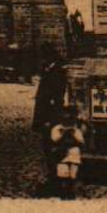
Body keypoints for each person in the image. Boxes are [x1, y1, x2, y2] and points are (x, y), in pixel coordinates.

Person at [32, 47, 70, 188]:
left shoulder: (57, 72)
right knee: (47, 147)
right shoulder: (50, 70)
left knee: (52, 147)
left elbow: (55, 98)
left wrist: (49, 119)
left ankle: (55, 179)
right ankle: (52, 176)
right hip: (46, 116)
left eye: (43, 58)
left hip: (50, 117)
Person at [48, 105, 87, 199]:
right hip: (62, 154)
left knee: (73, 174)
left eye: (69, 118)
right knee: (63, 173)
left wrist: (73, 134)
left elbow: (81, 142)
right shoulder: (56, 129)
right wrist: (64, 134)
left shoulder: (75, 130)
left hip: (73, 154)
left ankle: (72, 192)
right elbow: (54, 140)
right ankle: (63, 192)